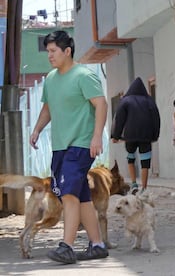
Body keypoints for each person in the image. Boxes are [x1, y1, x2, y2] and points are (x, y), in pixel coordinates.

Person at [29, 30, 108, 264]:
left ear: (67, 51)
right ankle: (97, 245)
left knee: (69, 194)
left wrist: (97, 137)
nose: (49, 56)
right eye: (48, 51)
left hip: (81, 144)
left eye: (53, 51)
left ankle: (67, 246)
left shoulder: (83, 75)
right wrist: (37, 129)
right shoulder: (51, 78)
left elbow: (101, 104)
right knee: (80, 196)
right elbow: (48, 109)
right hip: (60, 147)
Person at [111, 76, 160, 195]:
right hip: (146, 136)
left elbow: (119, 119)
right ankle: (144, 187)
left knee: (131, 158)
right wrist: (155, 135)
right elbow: (156, 119)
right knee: (145, 162)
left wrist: (116, 136)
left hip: (130, 136)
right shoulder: (149, 101)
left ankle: (133, 183)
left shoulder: (125, 101)